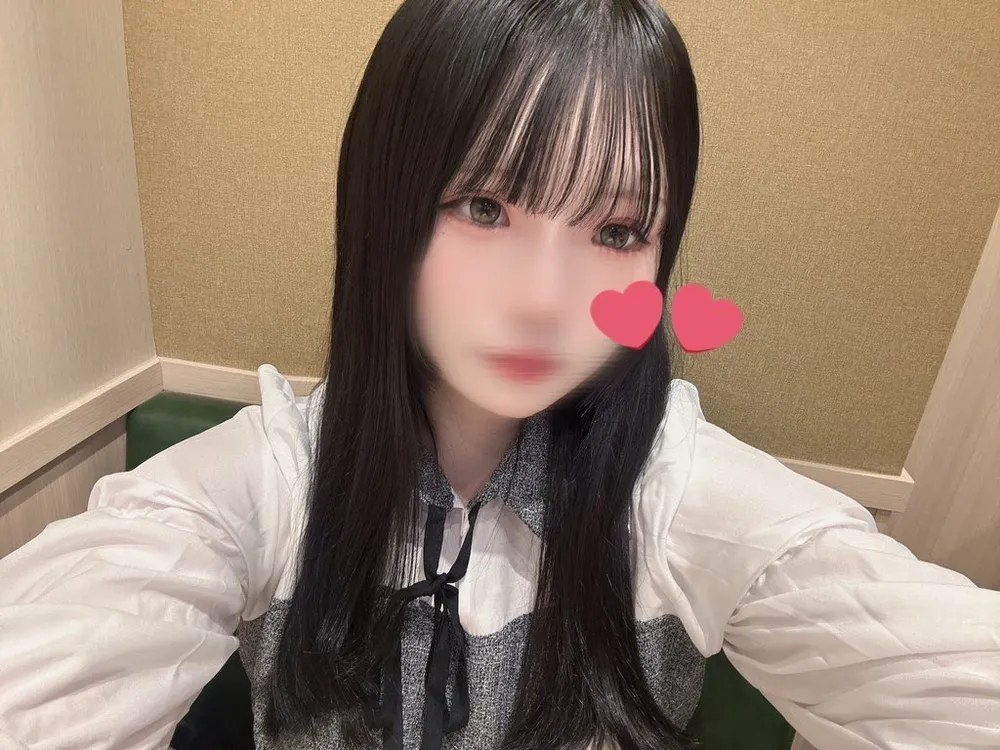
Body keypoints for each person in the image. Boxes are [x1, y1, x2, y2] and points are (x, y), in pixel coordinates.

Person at [2, 0, 999, 748]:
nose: (544, 300)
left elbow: (928, 666)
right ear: (384, 203)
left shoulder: (679, 497)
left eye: (617, 230)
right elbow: (82, 635)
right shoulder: (273, 477)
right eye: (485, 207)